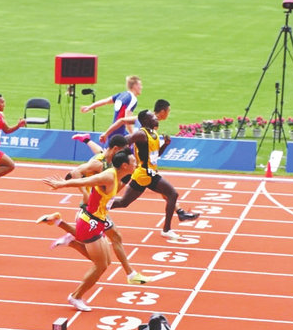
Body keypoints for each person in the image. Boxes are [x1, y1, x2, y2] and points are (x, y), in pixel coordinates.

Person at [38, 134, 151, 285]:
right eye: (123, 151)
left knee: (101, 252)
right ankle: (130, 274)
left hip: (101, 207)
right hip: (92, 207)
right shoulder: (99, 163)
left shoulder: (111, 160)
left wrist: (86, 140)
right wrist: (84, 193)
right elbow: (76, 172)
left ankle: (64, 229)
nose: (125, 154)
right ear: (116, 149)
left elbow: (99, 150)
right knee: (111, 243)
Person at [42, 148, 137, 312]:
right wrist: (63, 184)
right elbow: (86, 181)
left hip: (98, 221)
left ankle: (66, 232)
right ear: (124, 165)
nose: (136, 164)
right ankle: (76, 296)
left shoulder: (117, 176)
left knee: (105, 263)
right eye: (133, 162)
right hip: (90, 222)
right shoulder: (109, 176)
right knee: (100, 266)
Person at [109, 109, 199, 239]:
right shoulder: (141, 134)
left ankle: (99, 206)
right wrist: (119, 153)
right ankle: (167, 229)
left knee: (124, 202)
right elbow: (126, 140)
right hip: (144, 173)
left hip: (149, 173)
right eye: (152, 117)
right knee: (172, 194)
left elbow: (156, 155)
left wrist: (165, 145)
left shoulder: (154, 134)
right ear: (145, 120)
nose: (156, 118)